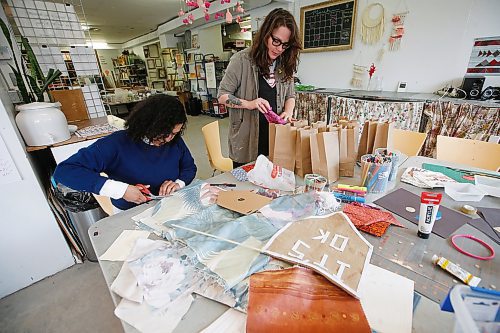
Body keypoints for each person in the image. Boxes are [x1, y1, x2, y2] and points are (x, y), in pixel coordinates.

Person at [53, 94, 197, 211]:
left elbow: (189, 167)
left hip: (169, 204)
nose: (168, 139)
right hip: (130, 212)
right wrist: (120, 190)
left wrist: (179, 183)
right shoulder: (116, 144)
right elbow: (65, 171)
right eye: (165, 133)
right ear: (149, 124)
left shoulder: (174, 141)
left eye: (174, 133)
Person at [218, 8, 302, 167]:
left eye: (285, 45)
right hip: (246, 141)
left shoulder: (284, 63)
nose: (279, 49)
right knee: (245, 187)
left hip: (275, 139)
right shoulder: (241, 60)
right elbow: (222, 96)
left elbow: (290, 95)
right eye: (276, 41)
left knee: (271, 186)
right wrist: (249, 104)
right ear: (266, 34)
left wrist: (288, 111)